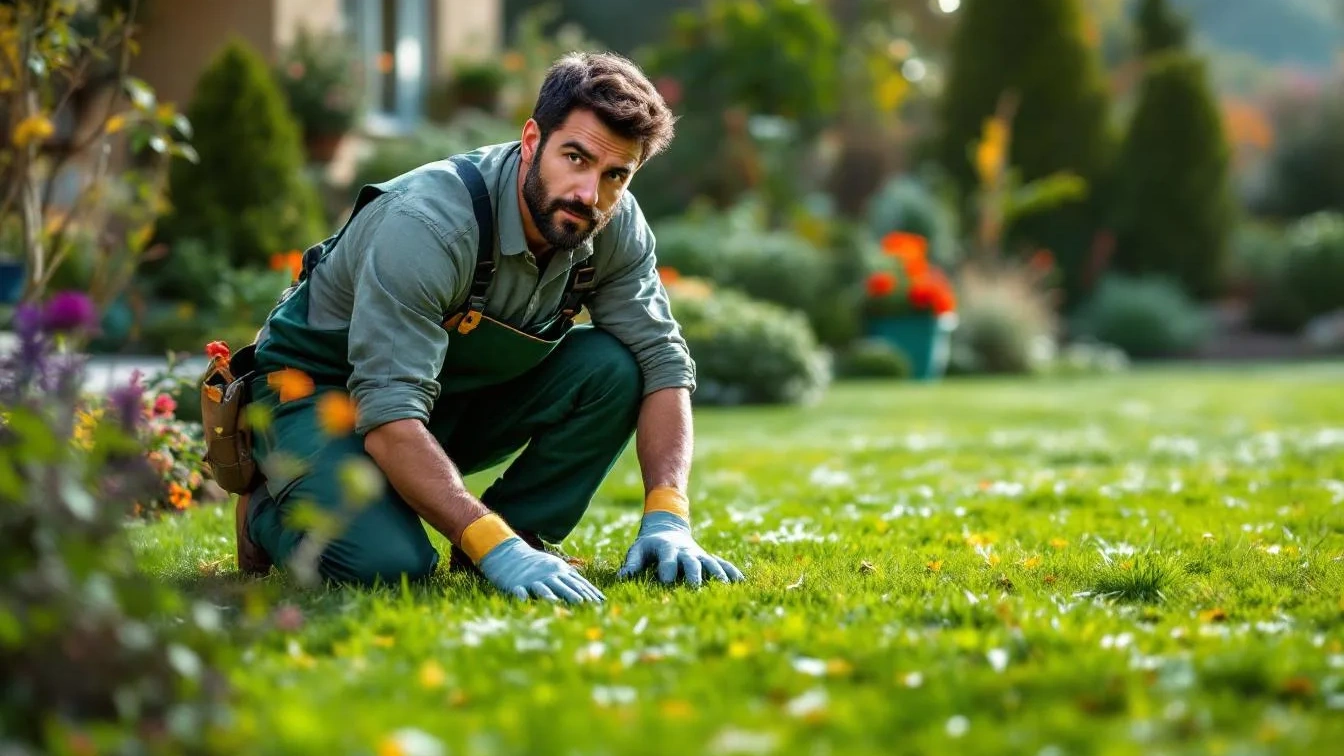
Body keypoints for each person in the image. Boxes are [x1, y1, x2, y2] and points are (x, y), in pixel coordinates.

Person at [232, 51, 744, 604]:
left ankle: (518, 535)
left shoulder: (612, 223)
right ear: (531, 141)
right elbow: (389, 414)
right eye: (575, 157)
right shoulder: (427, 225)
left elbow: (663, 362)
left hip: (440, 394)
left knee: (616, 369)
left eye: (615, 174)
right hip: (317, 396)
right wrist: (485, 541)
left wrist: (668, 517)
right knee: (388, 565)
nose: (588, 194)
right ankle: (265, 512)